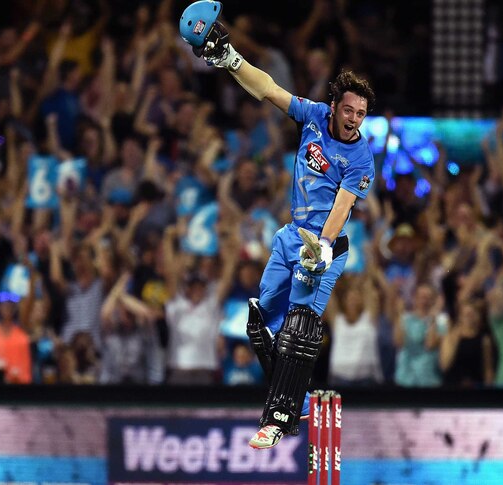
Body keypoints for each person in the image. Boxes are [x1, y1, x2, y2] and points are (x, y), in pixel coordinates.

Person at [179, 0, 376, 449]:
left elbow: (343, 206)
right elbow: (268, 89)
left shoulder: (361, 157)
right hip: (291, 236)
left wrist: (322, 249)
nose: (353, 120)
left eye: (360, 115)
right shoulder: (312, 117)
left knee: (300, 322)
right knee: (256, 322)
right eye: (348, 111)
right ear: (334, 106)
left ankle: (280, 416)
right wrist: (232, 61)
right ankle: (298, 399)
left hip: (325, 245)